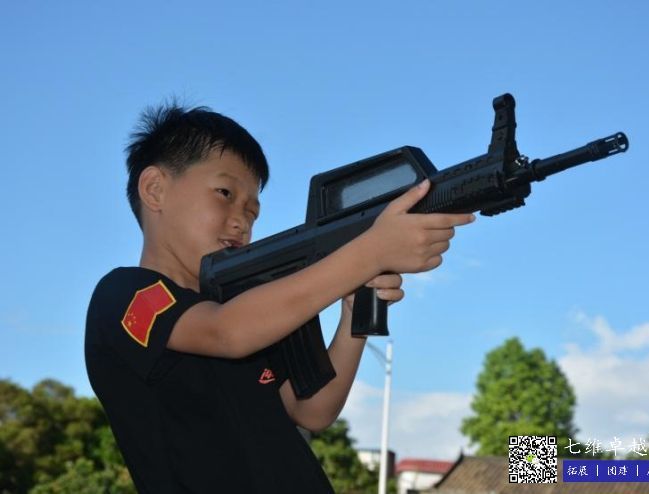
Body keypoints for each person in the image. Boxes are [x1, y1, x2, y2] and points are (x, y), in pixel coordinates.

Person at [84, 103, 475, 493]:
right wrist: (370, 252)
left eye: (252, 212)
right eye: (224, 193)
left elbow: (313, 409)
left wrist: (353, 314)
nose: (241, 221)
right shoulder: (124, 294)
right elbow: (226, 333)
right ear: (155, 189)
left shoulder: (249, 308)